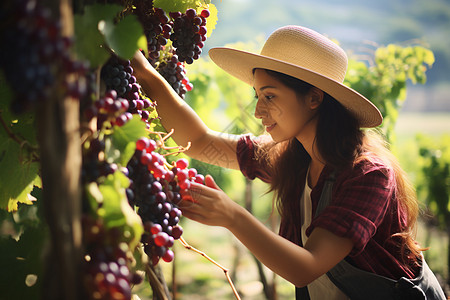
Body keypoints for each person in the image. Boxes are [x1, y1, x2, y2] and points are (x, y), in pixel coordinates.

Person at [131, 25, 446, 299]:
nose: (257, 111)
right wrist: (143, 72)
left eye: (269, 96)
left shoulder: (370, 173)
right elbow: (201, 143)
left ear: (314, 98)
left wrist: (231, 215)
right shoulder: (292, 156)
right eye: (257, 95)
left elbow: (306, 267)